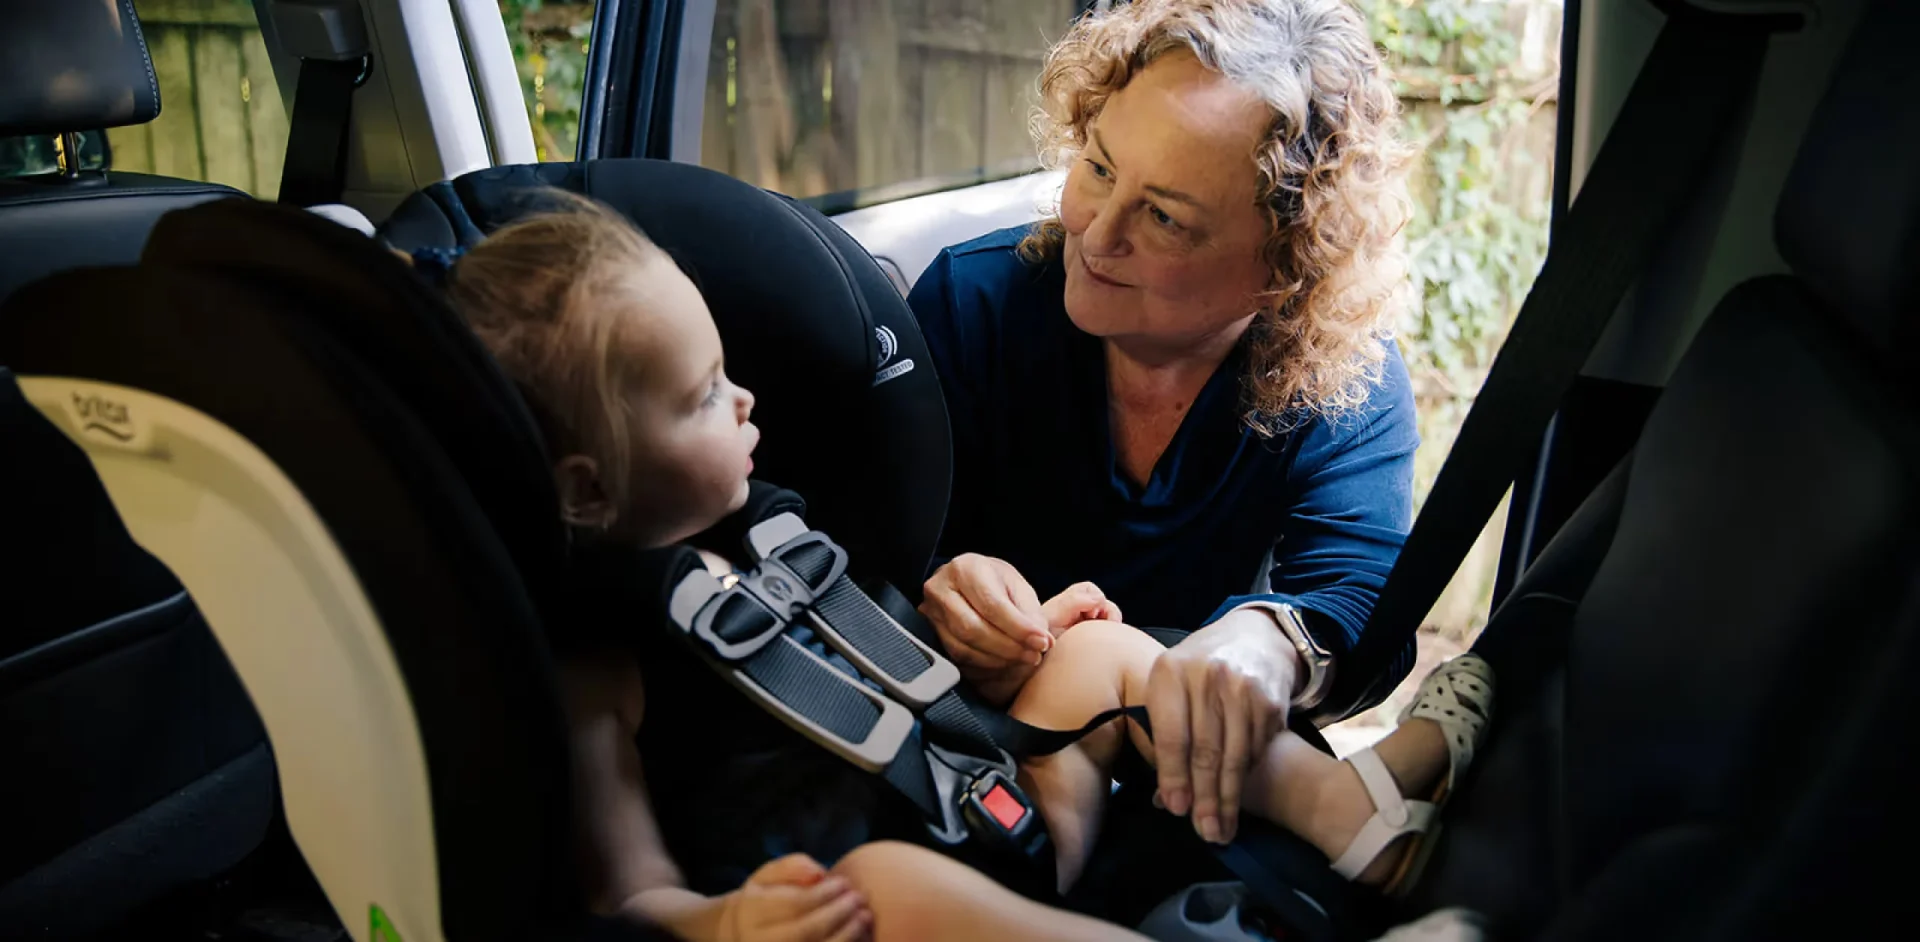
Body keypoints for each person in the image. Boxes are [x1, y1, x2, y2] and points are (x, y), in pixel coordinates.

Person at [419, 190, 1494, 942]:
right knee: (885, 889)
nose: (746, 401)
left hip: (989, 794)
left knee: (1105, 653)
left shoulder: (776, 528)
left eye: (728, 373)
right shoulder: (598, 664)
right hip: (876, 883)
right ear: (585, 491)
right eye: (702, 396)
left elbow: (868, 668)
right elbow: (624, 893)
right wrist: (727, 923)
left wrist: (990, 645)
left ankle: (1359, 824)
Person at [908, 0, 1422, 851]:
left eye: (1166, 218)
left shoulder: (1345, 379)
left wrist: (1269, 644)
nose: (1093, 232)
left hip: (1202, 780)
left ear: (1286, 263)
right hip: (972, 745)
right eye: (1100, 169)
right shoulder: (974, 303)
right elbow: (867, 539)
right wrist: (941, 599)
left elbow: (1365, 602)